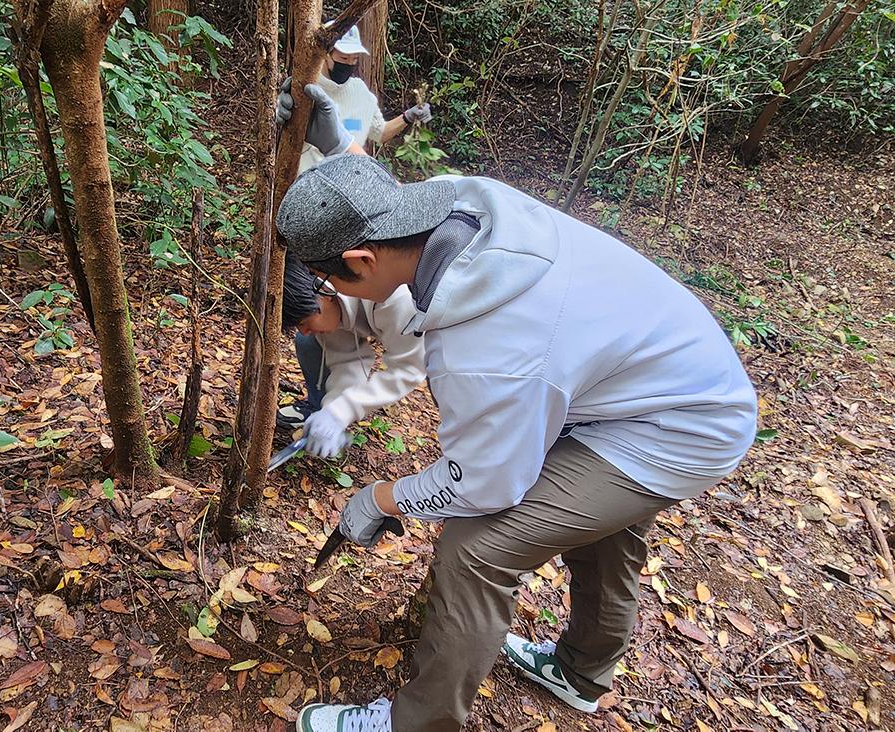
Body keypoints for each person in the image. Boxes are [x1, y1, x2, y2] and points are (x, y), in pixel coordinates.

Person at [275, 86, 758, 732]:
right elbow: (367, 194)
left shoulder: (486, 350)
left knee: (476, 551)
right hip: (669, 372)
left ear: (361, 261)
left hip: (682, 425)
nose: (332, 292)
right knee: (601, 518)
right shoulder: (451, 200)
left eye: (333, 278)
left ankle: (415, 723)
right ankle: (583, 672)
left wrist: (380, 499)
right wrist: (333, 151)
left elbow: (486, 484)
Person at [277, 252, 425, 459]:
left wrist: (342, 412)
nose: (304, 329)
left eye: (303, 322)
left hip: (446, 334)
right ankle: (317, 411)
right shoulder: (327, 305)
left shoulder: (395, 297)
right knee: (307, 342)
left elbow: (409, 368)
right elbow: (347, 361)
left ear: (324, 294)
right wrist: (333, 411)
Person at [274, 23, 433, 174]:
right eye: (344, 58)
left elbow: (380, 132)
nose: (349, 64)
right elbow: (283, 130)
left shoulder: (360, 91)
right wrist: (279, 115)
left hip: (349, 184)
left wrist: (408, 116)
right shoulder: (306, 88)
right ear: (326, 55)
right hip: (308, 185)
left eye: (354, 59)